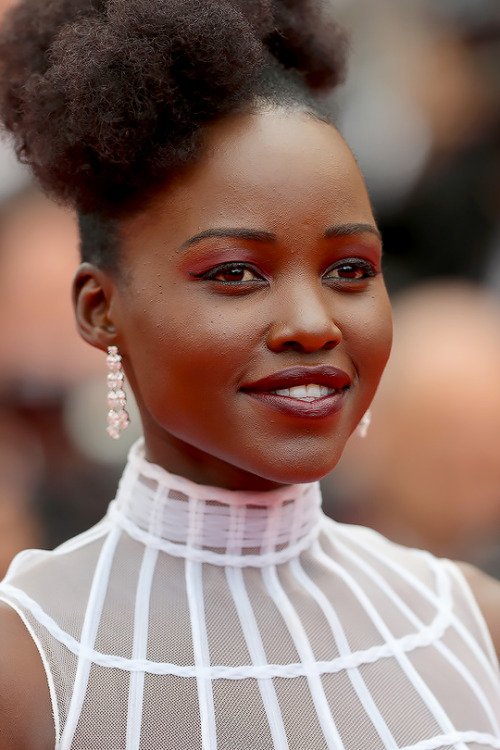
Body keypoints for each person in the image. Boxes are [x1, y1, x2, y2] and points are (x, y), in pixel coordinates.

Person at [0, 1, 499, 748]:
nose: (313, 323)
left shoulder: (473, 627)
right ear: (101, 310)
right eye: (236, 272)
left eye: (350, 269)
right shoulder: (29, 668)